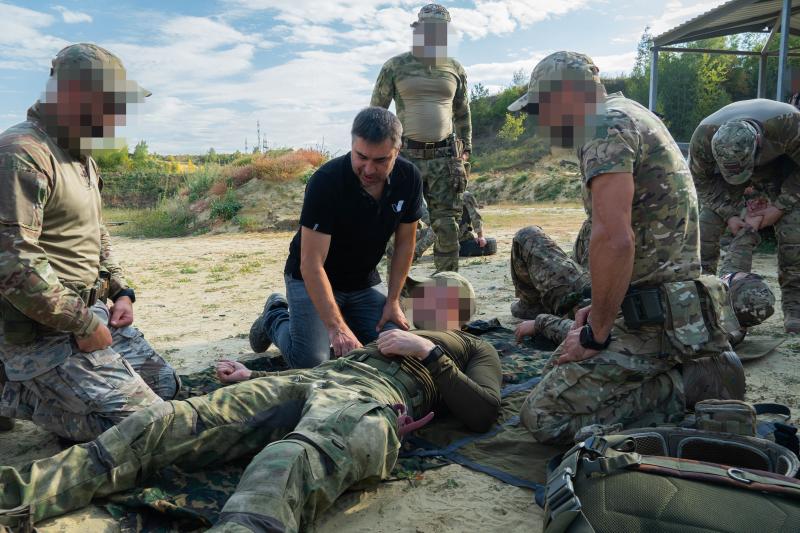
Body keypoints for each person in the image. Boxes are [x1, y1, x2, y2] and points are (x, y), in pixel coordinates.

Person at [0, 274, 500, 533]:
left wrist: (430, 352)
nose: (416, 303)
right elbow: (326, 373)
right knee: (170, 421)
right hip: (319, 381)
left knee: (289, 461)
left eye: (430, 296)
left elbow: (482, 412)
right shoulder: (387, 331)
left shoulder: (474, 348)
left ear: (455, 308)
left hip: (373, 404)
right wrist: (252, 375)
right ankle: (18, 494)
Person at [507, 51, 742, 445]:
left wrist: (597, 333)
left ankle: (684, 387)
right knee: (557, 370)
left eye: (540, 108)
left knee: (542, 415)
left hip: (654, 321)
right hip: (664, 306)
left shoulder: (601, 126)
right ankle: (680, 370)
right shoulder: (628, 112)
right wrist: (599, 308)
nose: (541, 121)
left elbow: (614, 239)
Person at [0, 44, 179, 442]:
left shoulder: (81, 156)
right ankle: (16, 391)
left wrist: (120, 290)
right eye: (110, 104)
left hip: (88, 312)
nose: (118, 118)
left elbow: (96, 233)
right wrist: (80, 323)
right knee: (145, 429)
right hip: (41, 332)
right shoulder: (22, 154)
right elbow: (13, 262)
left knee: (166, 388)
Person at [248, 107, 424, 369]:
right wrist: (336, 327)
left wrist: (393, 301)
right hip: (309, 279)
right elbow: (311, 263)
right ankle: (274, 316)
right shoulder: (326, 182)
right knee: (312, 361)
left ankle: (348, 317)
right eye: (361, 157)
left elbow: (405, 245)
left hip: (362, 282)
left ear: (397, 152)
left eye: (380, 160)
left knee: (397, 348)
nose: (368, 169)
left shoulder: (409, 178)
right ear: (352, 145)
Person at [511, 221, 775, 347]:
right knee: (597, 225)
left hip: (586, 302)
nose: (727, 277)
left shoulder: (680, 311)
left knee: (528, 236)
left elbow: (602, 333)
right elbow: (734, 269)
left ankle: (531, 306)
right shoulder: (729, 321)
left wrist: (541, 323)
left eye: (732, 280)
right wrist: (749, 231)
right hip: (603, 289)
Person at [371, 3, 472, 273]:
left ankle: (447, 291)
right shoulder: (396, 66)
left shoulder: (455, 68)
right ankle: (397, 297)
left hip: (445, 158)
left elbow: (462, 114)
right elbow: (376, 114)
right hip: (405, 158)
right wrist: (377, 157)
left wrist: (465, 153)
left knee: (448, 227)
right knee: (396, 225)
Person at [689, 98, 800, 333]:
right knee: (706, 225)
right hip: (725, 181)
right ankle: (701, 300)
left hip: (785, 171)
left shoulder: (789, 125)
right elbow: (701, 182)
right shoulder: (703, 138)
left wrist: (779, 206)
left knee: (794, 231)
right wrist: (729, 214)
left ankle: (794, 307)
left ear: (758, 143)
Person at [387, 191, 495, 261]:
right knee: (419, 231)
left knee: (438, 226)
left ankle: (413, 255)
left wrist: (480, 236)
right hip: (442, 229)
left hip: (459, 233)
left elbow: (475, 215)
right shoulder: (441, 195)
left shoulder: (465, 195)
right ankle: (392, 246)